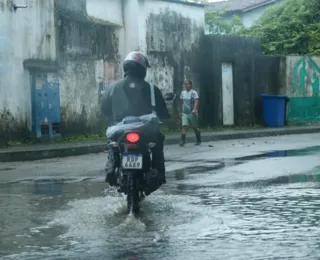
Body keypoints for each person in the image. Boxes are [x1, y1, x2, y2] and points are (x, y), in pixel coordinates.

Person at [100, 51, 170, 187]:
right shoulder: (151, 89)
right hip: (146, 130)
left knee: (113, 144)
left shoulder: (112, 88)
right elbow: (163, 113)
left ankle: (111, 168)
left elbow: (105, 110)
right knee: (158, 141)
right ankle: (158, 173)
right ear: (142, 69)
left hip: (120, 130)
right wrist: (165, 118)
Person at [179, 80, 201, 146]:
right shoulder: (183, 93)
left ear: (190, 85)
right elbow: (181, 102)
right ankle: (182, 141)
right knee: (184, 126)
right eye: (185, 84)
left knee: (194, 127)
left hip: (192, 112)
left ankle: (198, 139)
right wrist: (180, 112)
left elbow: (196, 101)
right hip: (185, 112)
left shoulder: (194, 92)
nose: (186, 85)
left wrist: (194, 109)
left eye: (187, 84)